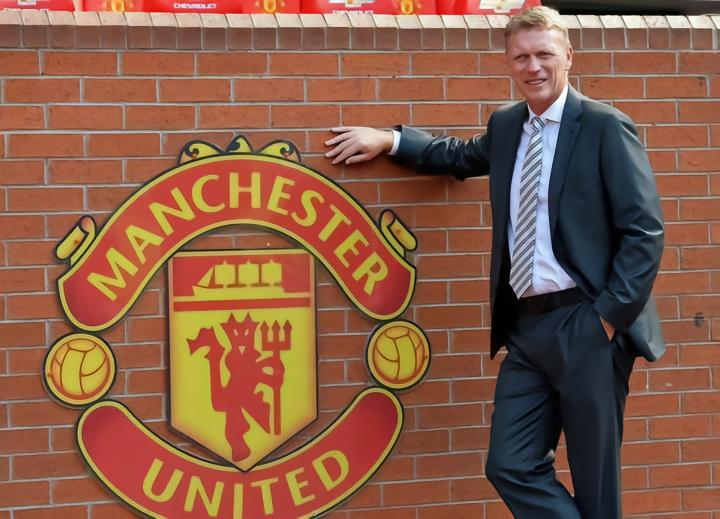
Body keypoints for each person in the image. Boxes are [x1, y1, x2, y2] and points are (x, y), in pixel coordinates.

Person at [324, 6, 665, 519]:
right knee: (509, 464)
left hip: (587, 322)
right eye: (521, 57)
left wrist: (608, 319)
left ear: (568, 56)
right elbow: (460, 156)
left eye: (544, 54)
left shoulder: (602, 126)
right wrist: (388, 139)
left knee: (595, 482)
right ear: (509, 62)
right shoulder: (507, 125)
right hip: (526, 328)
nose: (533, 67)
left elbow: (644, 230)